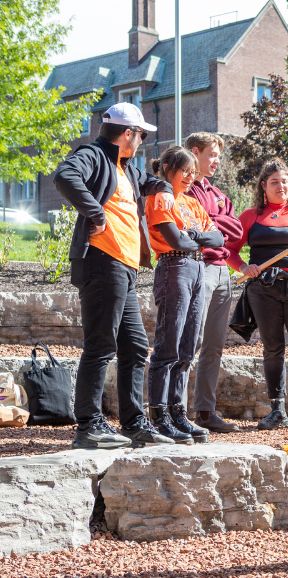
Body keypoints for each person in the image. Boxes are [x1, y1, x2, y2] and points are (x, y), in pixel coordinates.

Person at [53, 102, 177, 449]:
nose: (141, 142)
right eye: (140, 135)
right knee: (101, 345)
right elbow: (64, 176)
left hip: (123, 267)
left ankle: (135, 424)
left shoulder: (124, 167)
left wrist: (164, 188)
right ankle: (89, 426)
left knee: (136, 347)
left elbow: (149, 181)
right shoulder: (93, 155)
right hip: (101, 261)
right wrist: (94, 212)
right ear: (128, 134)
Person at [227, 159, 288, 430]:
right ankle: (277, 410)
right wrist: (244, 267)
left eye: (284, 181)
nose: (280, 186)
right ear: (263, 186)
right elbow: (230, 249)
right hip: (263, 289)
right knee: (272, 349)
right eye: (274, 182)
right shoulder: (250, 216)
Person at [144, 146, 224, 444]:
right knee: (168, 345)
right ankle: (159, 415)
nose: (190, 178)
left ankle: (178, 412)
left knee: (189, 345)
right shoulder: (160, 198)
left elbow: (218, 237)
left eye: (193, 173)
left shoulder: (192, 203)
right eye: (185, 172)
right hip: (173, 266)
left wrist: (195, 238)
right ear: (167, 170)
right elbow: (174, 238)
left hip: (197, 267)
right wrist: (196, 238)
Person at [184, 132, 243, 433]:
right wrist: (213, 220)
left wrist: (212, 219)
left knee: (214, 346)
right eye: (212, 155)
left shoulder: (218, 193)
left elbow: (234, 231)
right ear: (195, 152)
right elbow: (196, 223)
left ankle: (205, 412)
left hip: (223, 273)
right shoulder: (185, 189)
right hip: (200, 268)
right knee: (189, 341)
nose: (217, 161)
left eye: (219, 156)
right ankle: (174, 412)